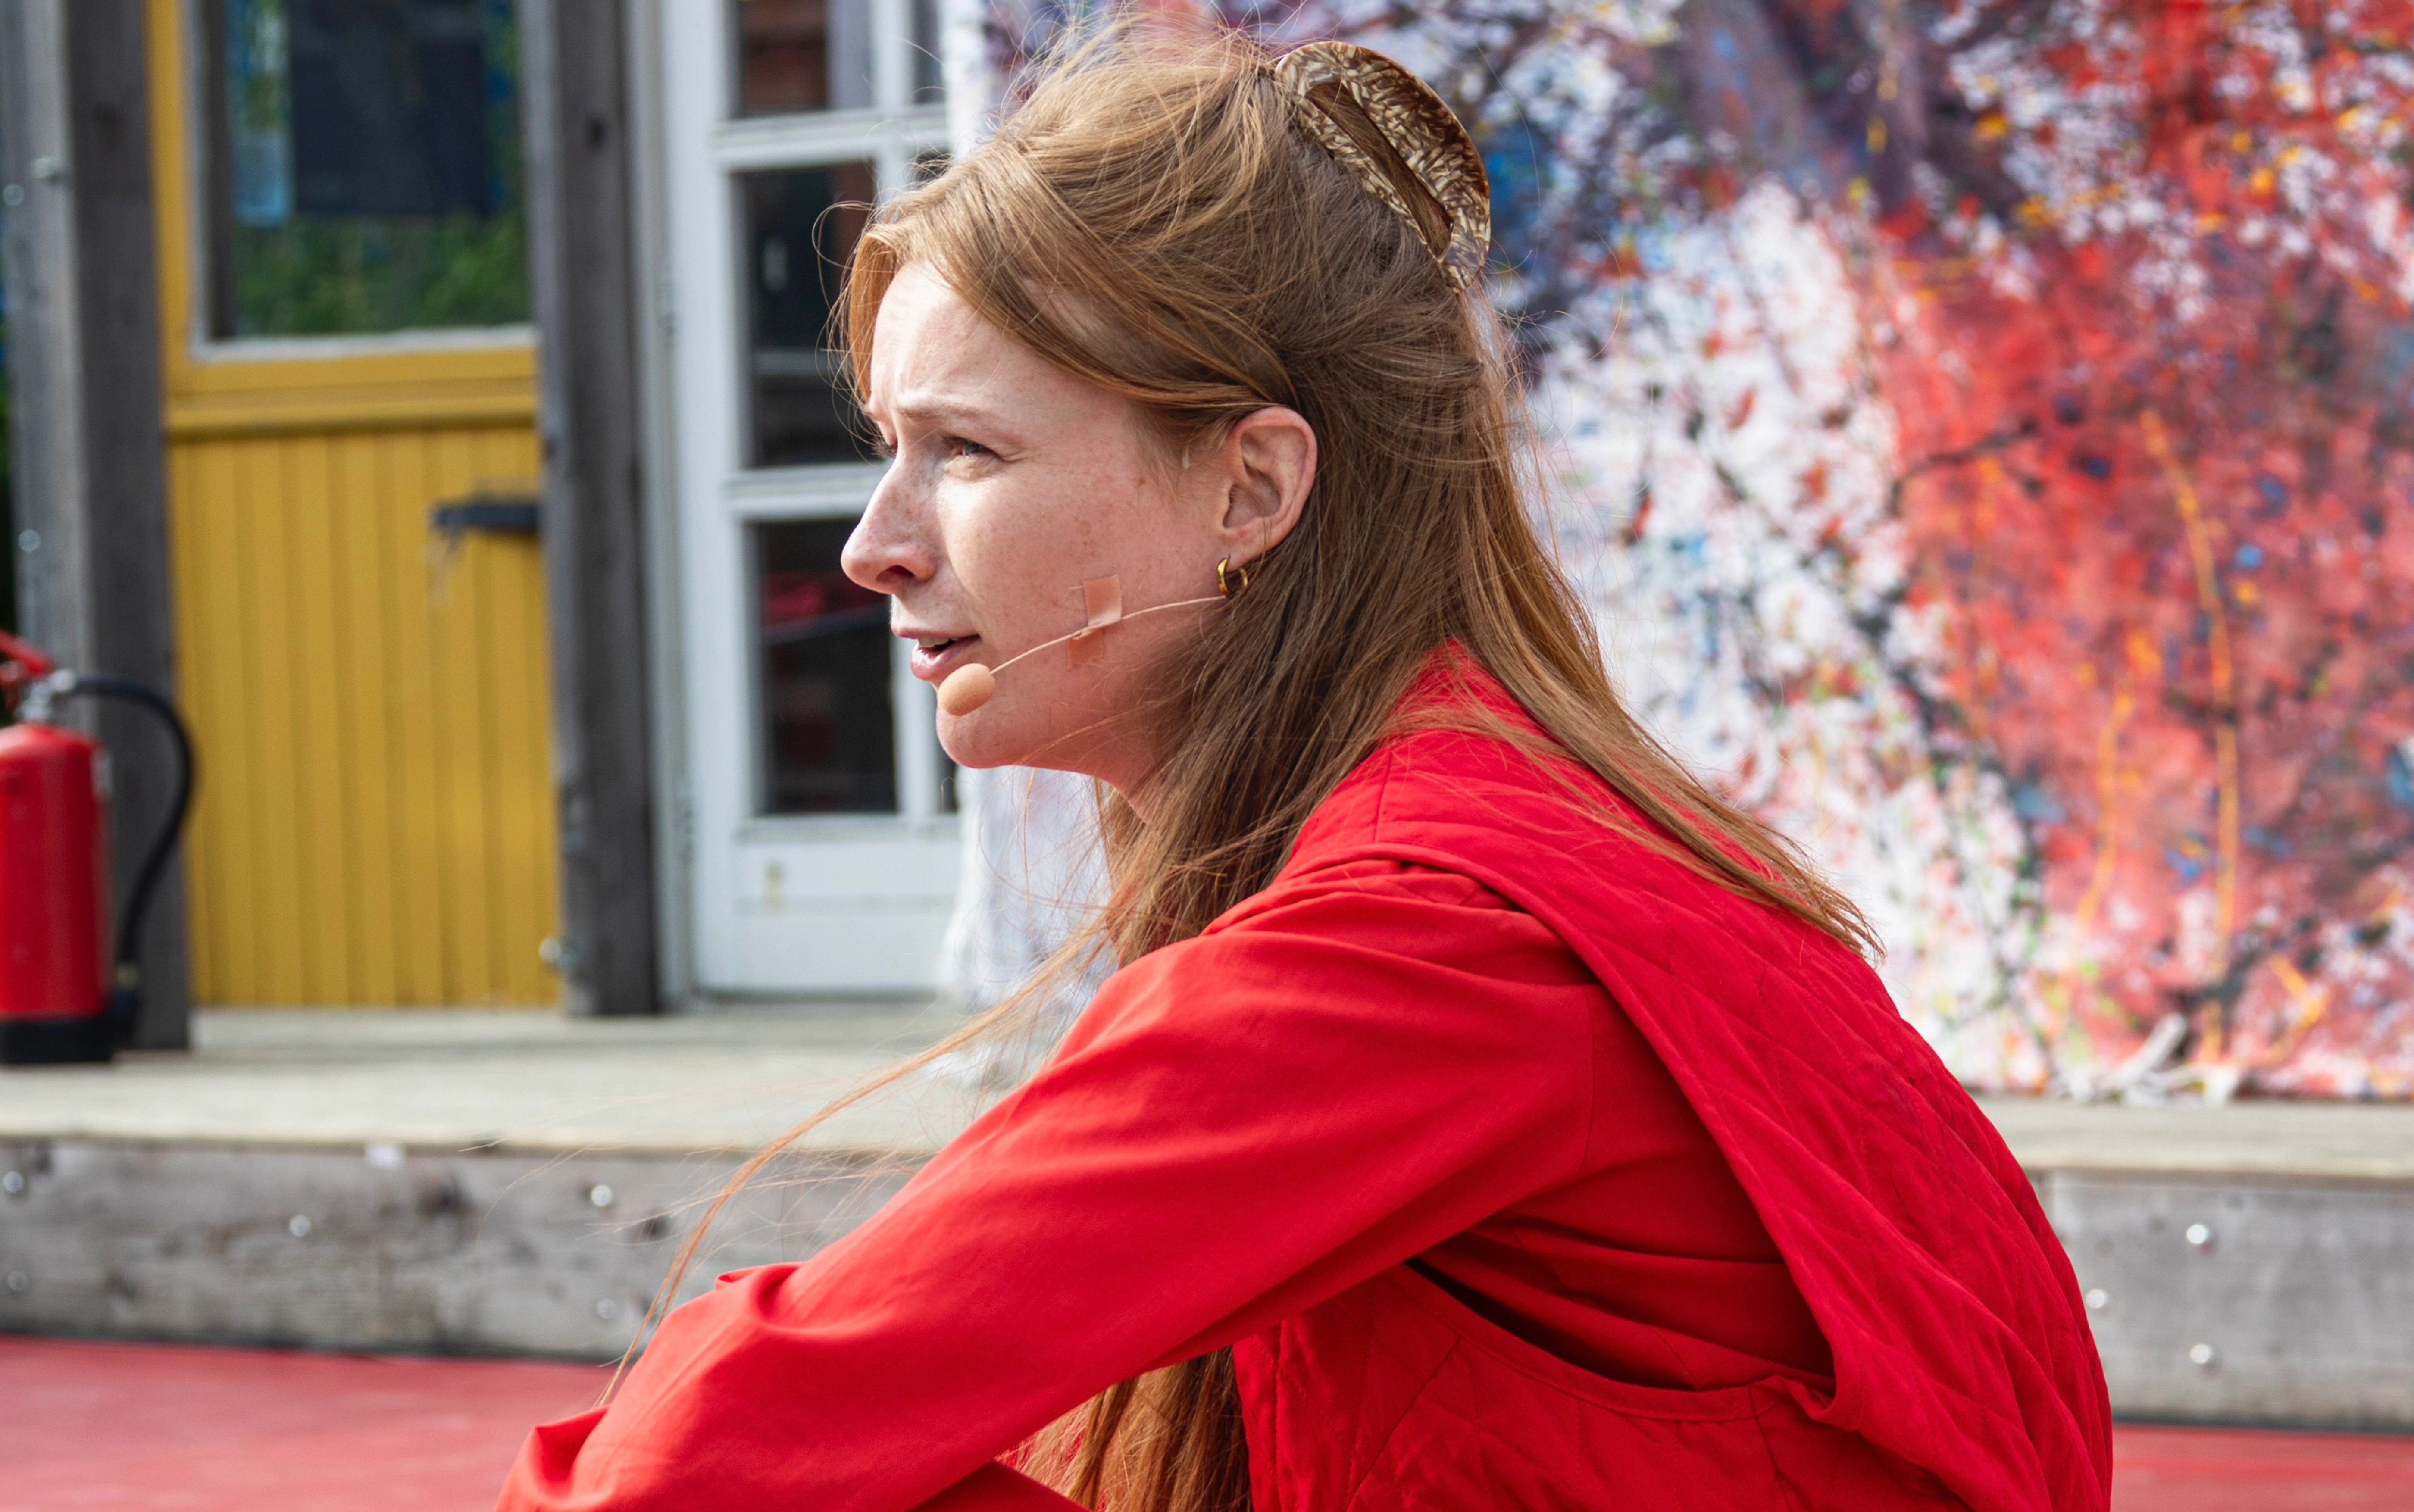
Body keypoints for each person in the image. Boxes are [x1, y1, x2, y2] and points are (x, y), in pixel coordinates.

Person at [495, 25, 2110, 1512]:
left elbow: (684, 1458)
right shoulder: (1517, 821)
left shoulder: (1418, 934)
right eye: (886, 451)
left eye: (966, 451)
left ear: (1251, 488)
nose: (873, 547)